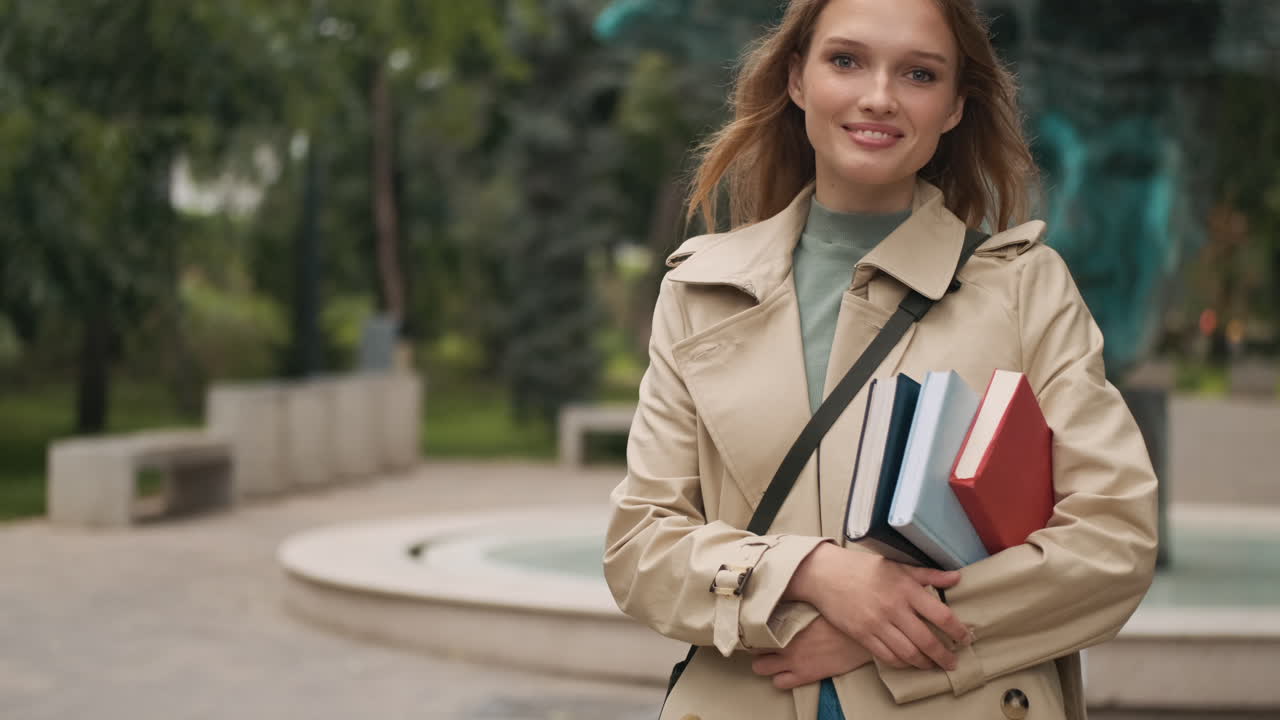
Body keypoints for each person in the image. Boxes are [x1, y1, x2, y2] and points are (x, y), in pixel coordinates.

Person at [602, 0, 1158, 718]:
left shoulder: (1025, 290)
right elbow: (640, 546)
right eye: (846, 61)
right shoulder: (702, 290)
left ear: (956, 106)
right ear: (797, 78)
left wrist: (883, 632)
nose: (879, 97)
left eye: (919, 74)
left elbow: (1115, 541)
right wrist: (810, 572)